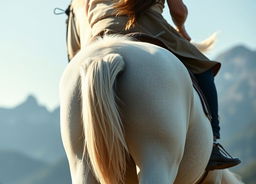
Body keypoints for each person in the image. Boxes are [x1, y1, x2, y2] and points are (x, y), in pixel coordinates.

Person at [69, 0, 241, 170]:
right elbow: (178, 11)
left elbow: (85, 12)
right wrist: (181, 29)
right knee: (204, 69)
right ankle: (212, 146)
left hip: (100, 31)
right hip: (146, 24)